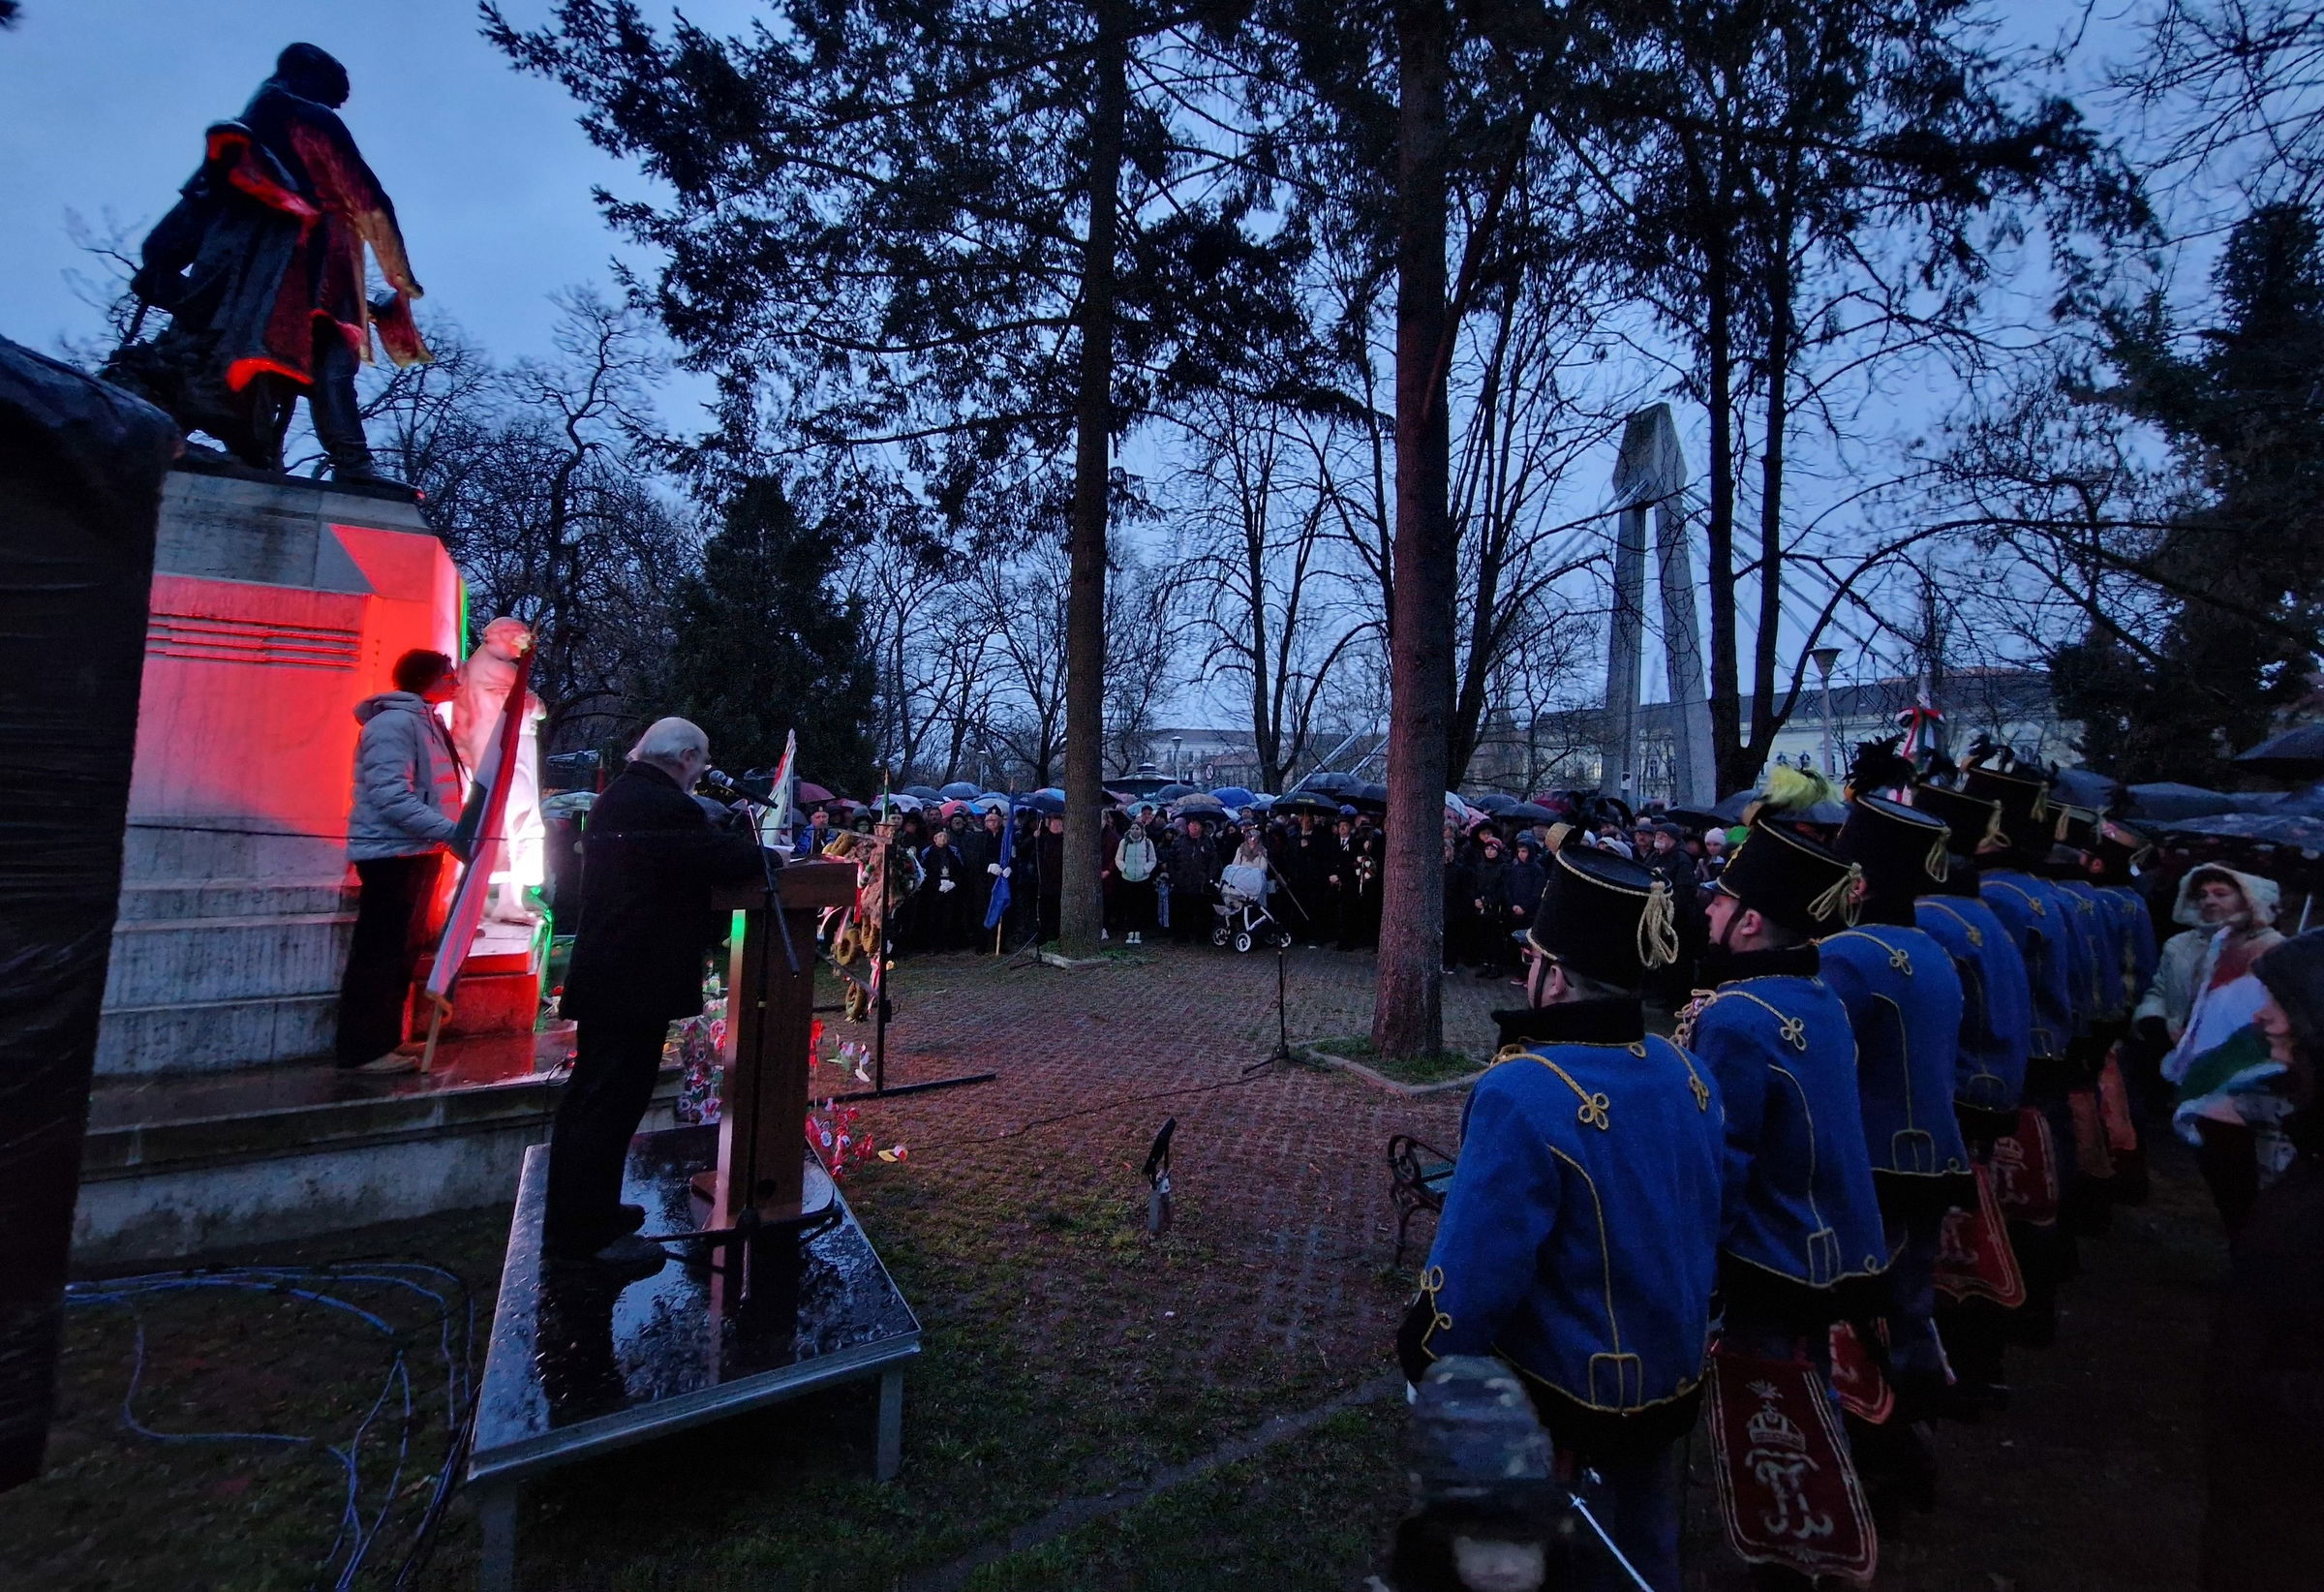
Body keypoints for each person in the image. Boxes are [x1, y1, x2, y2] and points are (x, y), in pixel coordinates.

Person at [1400, 848, 1719, 1591]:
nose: (1524, 975)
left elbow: (1473, 1280)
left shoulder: (1525, 1089)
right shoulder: (1687, 1070)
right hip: (1671, 1375)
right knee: (1646, 1549)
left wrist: (1428, 1352)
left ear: (1554, 972)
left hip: (1563, 1395)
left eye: (1533, 959)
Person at [120, 44, 430, 483]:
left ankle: (302, 458)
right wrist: (400, 275)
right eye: (329, 93)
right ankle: (350, 463)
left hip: (251, 274)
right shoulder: (302, 117)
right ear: (305, 77)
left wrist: (172, 276)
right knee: (329, 360)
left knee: (252, 360)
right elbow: (369, 199)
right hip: (304, 269)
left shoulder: (243, 137)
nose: (333, 105)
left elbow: (184, 219)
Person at [551, 718, 770, 1269]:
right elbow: (716, 857)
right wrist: (770, 857)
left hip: (613, 973)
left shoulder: (624, 796)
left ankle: (590, 1212)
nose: (702, 773)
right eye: (703, 761)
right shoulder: (661, 804)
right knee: (608, 1101)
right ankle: (586, 1235)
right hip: (631, 976)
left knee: (600, 1097)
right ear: (687, 757)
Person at [1681, 816, 1886, 1368]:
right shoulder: (1819, 993)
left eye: (1719, 903)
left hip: (1772, 1253)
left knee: (1770, 1408)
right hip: (1838, 1237)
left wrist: (1694, 1264)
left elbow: (1722, 1158)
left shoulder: (1737, 1016)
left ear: (1749, 922)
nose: (1706, 911)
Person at [1824, 795, 1973, 1465]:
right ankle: (1918, 1416)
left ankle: (1875, 1446)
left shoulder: (1849, 956)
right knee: (1910, 1297)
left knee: (1858, 1313)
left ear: (1856, 881)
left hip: (1872, 1161)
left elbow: (1823, 1068)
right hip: (1934, 1155)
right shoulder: (1931, 945)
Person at [2200, 931, 2324, 1591]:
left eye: (2283, 1004)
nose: (2262, 1016)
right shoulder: (2312, 1149)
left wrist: (2262, 1392)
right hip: (2264, 1487)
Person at [335, 649, 463, 1074]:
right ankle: (363, 1049)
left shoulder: (425, 720)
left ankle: (386, 1039)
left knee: (401, 951)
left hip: (417, 850)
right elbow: (391, 794)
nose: (456, 682)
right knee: (380, 952)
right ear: (428, 678)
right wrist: (449, 831)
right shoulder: (393, 724)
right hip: (391, 852)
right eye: (449, 675)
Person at [916, 823, 971, 952]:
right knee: (933, 917)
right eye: (940, 836)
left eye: (945, 836)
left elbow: (960, 871)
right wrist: (936, 884)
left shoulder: (953, 852)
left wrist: (953, 883)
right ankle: (933, 945)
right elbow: (924, 872)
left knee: (950, 917)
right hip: (933, 890)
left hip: (950, 888)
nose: (943, 839)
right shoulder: (928, 852)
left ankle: (949, 944)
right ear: (935, 839)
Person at [1166, 816, 1218, 943]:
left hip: (1201, 883)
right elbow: (1171, 860)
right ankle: (1181, 935)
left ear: (1201, 827)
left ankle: (1202, 936)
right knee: (1182, 911)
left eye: (1197, 824)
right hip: (1182, 882)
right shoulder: (1179, 841)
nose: (1194, 827)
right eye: (1191, 824)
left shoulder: (1208, 841)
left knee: (1202, 911)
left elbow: (1214, 861)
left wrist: (1209, 878)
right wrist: (1174, 876)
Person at [1115, 815, 1157, 945]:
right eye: (1132, 828)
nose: (1134, 831)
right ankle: (1129, 931)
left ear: (1142, 830)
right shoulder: (1124, 842)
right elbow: (1118, 858)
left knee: (1140, 906)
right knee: (1128, 906)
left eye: (1137, 828)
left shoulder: (1148, 843)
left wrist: (1145, 870)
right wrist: (1124, 868)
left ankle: (1138, 931)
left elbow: (1152, 859)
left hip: (1142, 880)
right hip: (1127, 879)